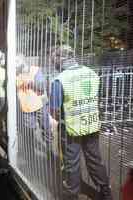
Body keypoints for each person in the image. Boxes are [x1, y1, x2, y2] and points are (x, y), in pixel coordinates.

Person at [49, 45, 112, 200]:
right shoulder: (91, 73)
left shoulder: (59, 80)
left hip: (70, 130)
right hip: (91, 125)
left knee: (71, 166)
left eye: (53, 61)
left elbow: (54, 110)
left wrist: (57, 119)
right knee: (95, 160)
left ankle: (72, 196)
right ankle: (106, 193)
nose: (53, 64)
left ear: (59, 60)